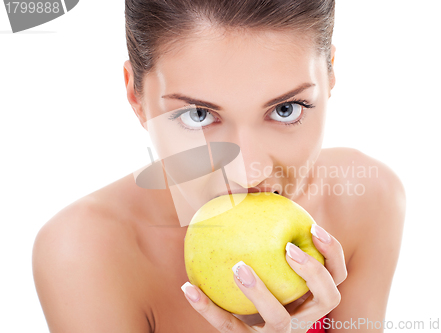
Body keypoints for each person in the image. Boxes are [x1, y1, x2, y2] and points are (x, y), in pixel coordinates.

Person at [32, 0, 406, 332]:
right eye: (198, 115)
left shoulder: (367, 201)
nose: (250, 171)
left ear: (330, 77)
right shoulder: (84, 254)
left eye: (285, 109)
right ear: (136, 97)